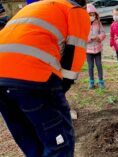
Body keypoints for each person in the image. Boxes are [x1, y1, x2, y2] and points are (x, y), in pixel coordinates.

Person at [0, 0, 90, 156]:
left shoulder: (36, 7)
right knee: (59, 145)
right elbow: (75, 55)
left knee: (31, 142)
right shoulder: (75, 10)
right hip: (34, 78)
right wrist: (59, 91)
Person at [86, 3, 106, 89]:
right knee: (90, 66)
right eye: (90, 14)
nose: (91, 16)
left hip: (97, 48)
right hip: (88, 50)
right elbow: (80, 36)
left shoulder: (98, 23)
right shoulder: (83, 24)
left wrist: (98, 37)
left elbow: (103, 33)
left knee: (99, 65)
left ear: (95, 14)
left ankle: (101, 81)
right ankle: (91, 82)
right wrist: (89, 39)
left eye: (93, 14)